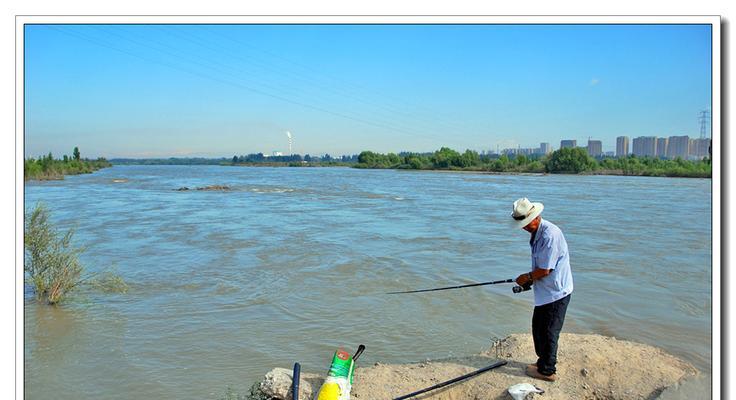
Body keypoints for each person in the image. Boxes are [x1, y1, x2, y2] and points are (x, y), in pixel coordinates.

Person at [511, 197, 573, 382]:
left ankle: (547, 370)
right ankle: (542, 361)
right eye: (523, 224)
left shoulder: (549, 235)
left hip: (556, 292)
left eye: (527, 223)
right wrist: (528, 281)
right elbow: (542, 267)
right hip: (545, 291)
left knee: (548, 331)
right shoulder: (536, 232)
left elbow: (546, 269)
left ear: (536, 217)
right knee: (538, 328)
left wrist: (527, 277)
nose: (524, 227)